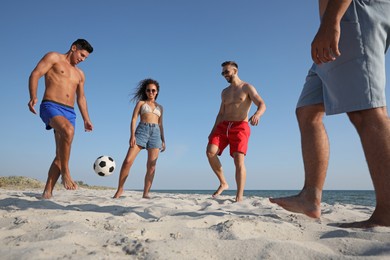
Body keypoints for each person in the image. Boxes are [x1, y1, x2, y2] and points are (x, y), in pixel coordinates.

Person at [270, 0, 390, 228]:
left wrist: (331, 21)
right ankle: (310, 198)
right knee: (308, 111)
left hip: (351, 12)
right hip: (341, 15)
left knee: (367, 110)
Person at [28, 39, 94, 199]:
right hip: (50, 106)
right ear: (73, 48)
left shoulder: (80, 74)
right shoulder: (54, 58)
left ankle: (47, 193)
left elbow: (81, 98)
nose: (82, 59)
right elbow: (35, 74)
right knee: (68, 131)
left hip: (70, 112)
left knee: (61, 154)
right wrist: (33, 96)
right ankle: (66, 172)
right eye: (82, 55)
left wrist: (86, 118)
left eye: (86, 58)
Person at [206, 61, 266, 202]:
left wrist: (257, 114)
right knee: (210, 152)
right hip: (223, 125)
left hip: (240, 126)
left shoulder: (247, 87)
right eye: (222, 73)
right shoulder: (224, 92)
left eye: (226, 72)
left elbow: (262, 103)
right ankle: (223, 183)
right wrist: (213, 130)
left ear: (235, 70)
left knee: (239, 161)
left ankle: (239, 196)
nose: (224, 75)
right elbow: (220, 113)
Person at [113, 78, 166, 199]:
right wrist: (132, 135)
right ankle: (120, 189)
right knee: (128, 161)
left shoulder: (160, 107)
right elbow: (133, 119)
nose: (151, 92)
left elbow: (161, 124)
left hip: (156, 134)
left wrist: (163, 140)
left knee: (151, 166)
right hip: (141, 131)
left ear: (157, 92)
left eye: (153, 90)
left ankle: (146, 193)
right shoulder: (141, 103)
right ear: (145, 91)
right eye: (148, 90)